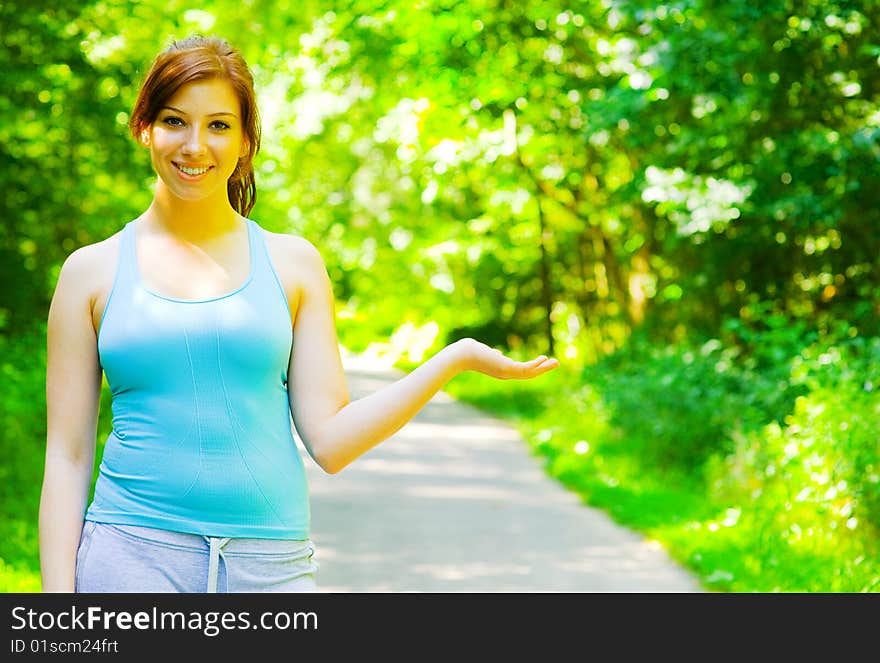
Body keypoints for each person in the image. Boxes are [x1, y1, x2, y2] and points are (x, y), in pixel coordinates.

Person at [38, 35, 558, 594]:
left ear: (245, 141)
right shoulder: (90, 273)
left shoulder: (294, 265)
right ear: (145, 127)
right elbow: (67, 458)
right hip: (131, 560)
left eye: (218, 125)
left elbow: (331, 442)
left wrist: (453, 360)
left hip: (270, 570)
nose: (194, 146)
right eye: (174, 121)